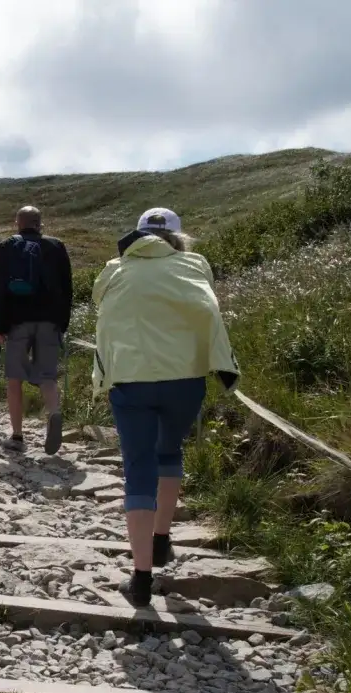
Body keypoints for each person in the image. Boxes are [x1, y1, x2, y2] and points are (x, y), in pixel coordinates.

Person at [93, 208, 239, 607]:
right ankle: (161, 541)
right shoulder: (194, 264)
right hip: (185, 378)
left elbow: (100, 307)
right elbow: (205, 308)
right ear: (179, 237)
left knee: (138, 466)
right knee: (169, 451)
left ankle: (140, 578)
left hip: (130, 378)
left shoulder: (115, 269)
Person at [0, 206, 73, 454]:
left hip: (17, 322)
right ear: (40, 223)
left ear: (17, 223)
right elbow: (67, 288)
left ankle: (17, 435)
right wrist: (62, 324)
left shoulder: (4, 248)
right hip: (49, 321)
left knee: (14, 378)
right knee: (47, 375)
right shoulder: (57, 247)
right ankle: (54, 412)